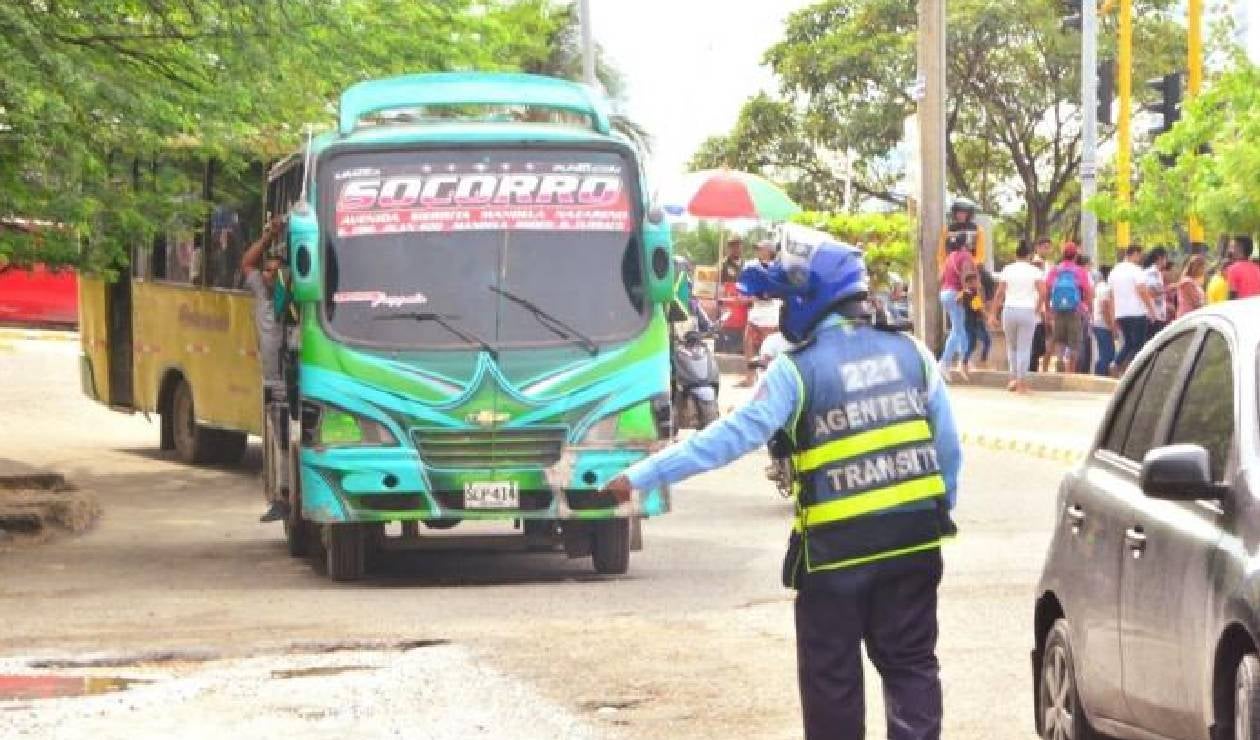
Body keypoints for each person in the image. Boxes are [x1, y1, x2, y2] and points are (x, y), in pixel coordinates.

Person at [603, 224, 961, 740]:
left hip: (834, 558)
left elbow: (729, 438)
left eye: (789, 296)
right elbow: (948, 451)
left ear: (812, 297)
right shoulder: (913, 353)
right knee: (912, 668)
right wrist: (936, 510)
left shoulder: (796, 371)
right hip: (914, 545)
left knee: (832, 684)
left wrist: (644, 474)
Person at [241, 216, 290, 523]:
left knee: (291, 443)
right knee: (278, 443)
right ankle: (281, 498)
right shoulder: (262, 296)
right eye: (267, 271)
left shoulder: (292, 303)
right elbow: (247, 263)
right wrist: (269, 237)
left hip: (295, 384)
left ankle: (287, 497)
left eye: (275, 272)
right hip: (273, 385)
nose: (269, 276)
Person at [988, 241, 1045, 393]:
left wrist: (993, 314)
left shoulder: (1007, 269)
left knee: (1012, 347)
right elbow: (1043, 292)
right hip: (1027, 310)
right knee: (1024, 348)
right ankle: (1021, 383)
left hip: (1009, 310)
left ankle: (1013, 379)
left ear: (1016, 255)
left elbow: (999, 293)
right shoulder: (1034, 271)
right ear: (1029, 256)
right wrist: (1037, 309)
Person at [1044, 243, 1093, 374]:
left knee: (1059, 339)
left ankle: (1059, 360)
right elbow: (1088, 292)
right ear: (1075, 255)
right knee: (1074, 343)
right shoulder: (1080, 271)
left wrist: (1048, 309)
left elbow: (1047, 290)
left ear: (1063, 255)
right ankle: (1070, 371)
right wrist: (1087, 308)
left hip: (1058, 310)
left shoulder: (1055, 270)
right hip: (1075, 310)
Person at [740, 239, 781, 388]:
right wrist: (752, 295)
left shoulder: (778, 268)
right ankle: (750, 378)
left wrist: (769, 294)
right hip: (755, 314)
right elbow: (744, 289)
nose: (758, 251)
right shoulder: (751, 266)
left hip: (772, 316)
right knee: (748, 344)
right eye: (757, 248)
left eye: (761, 248)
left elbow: (781, 290)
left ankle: (769, 381)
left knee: (769, 350)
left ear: (770, 251)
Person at [1110, 245, 1157, 370]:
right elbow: (1142, 290)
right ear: (1135, 254)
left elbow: (1112, 295)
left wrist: (1113, 315)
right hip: (1137, 313)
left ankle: (1116, 364)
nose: (1141, 258)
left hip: (1121, 313)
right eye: (1140, 255)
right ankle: (1133, 371)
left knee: (1128, 343)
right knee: (1139, 346)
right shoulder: (1136, 270)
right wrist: (1151, 309)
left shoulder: (1115, 271)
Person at [938, 241, 975, 381]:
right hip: (956, 294)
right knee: (957, 331)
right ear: (964, 245)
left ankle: (964, 359)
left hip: (945, 293)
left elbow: (940, 277)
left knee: (960, 329)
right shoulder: (965, 256)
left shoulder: (949, 257)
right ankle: (944, 363)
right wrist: (966, 291)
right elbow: (966, 274)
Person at [717, 237, 749, 355]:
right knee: (728, 332)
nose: (735, 249)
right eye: (732, 246)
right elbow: (718, 286)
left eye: (737, 245)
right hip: (729, 306)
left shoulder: (747, 265)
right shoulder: (723, 265)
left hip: (743, 307)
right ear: (728, 248)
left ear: (741, 247)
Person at [936, 198, 986, 269]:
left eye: (964, 213)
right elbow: (941, 253)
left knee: (986, 275)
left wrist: (971, 266)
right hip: (951, 266)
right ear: (954, 213)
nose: (960, 215)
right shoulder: (947, 230)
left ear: (969, 214)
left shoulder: (978, 230)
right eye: (958, 212)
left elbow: (980, 255)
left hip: (971, 267)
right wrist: (943, 268)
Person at [1027, 237, 1053, 372]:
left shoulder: (1048, 265)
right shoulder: (1034, 263)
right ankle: (1032, 371)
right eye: (1044, 247)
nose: (1046, 250)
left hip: (1043, 307)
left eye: (1048, 247)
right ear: (1037, 248)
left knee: (1040, 344)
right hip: (1035, 307)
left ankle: (1035, 369)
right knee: (1036, 344)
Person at [962, 265, 993, 372]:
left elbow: (980, 306)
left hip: (974, 322)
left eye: (976, 281)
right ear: (967, 283)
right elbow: (980, 309)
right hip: (973, 323)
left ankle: (965, 362)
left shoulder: (972, 293)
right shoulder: (969, 295)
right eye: (973, 282)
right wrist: (990, 318)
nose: (975, 284)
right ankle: (981, 361)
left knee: (973, 344)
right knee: (985, 341)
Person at [1090, 265, 1117, 377]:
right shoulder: (1106, 288)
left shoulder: (1098, 287)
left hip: (1097, 323)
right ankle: (1101, 375)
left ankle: (1099, 374)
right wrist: (1111, 325)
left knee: (1103, 352)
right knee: (1108, 354)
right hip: (1103, 324)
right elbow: (1105, 307)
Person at [1142, 247, 1170, 337]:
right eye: (1165, 258)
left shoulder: (1158, 273)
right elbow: (1150, 291)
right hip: (1153, 316)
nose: (1166, 261)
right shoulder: (1151, 272)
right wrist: (1169, 288)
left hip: (1158, 315)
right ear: (1159, 258)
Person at [1225, 235, 1260, 299]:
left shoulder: (1232, 269)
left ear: (1239, 248)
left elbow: (1232, 297)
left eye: (1233, 247)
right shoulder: (1257, 268)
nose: (1230, 250)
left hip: (1242, 305)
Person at [1175, 254, 1207, 319]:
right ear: (1196, 267)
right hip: (1187, 316)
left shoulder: (1194, 281)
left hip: (1193, 315)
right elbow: (1197, 303)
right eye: (1202, 268)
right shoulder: (1188, 282)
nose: (1204, 270)